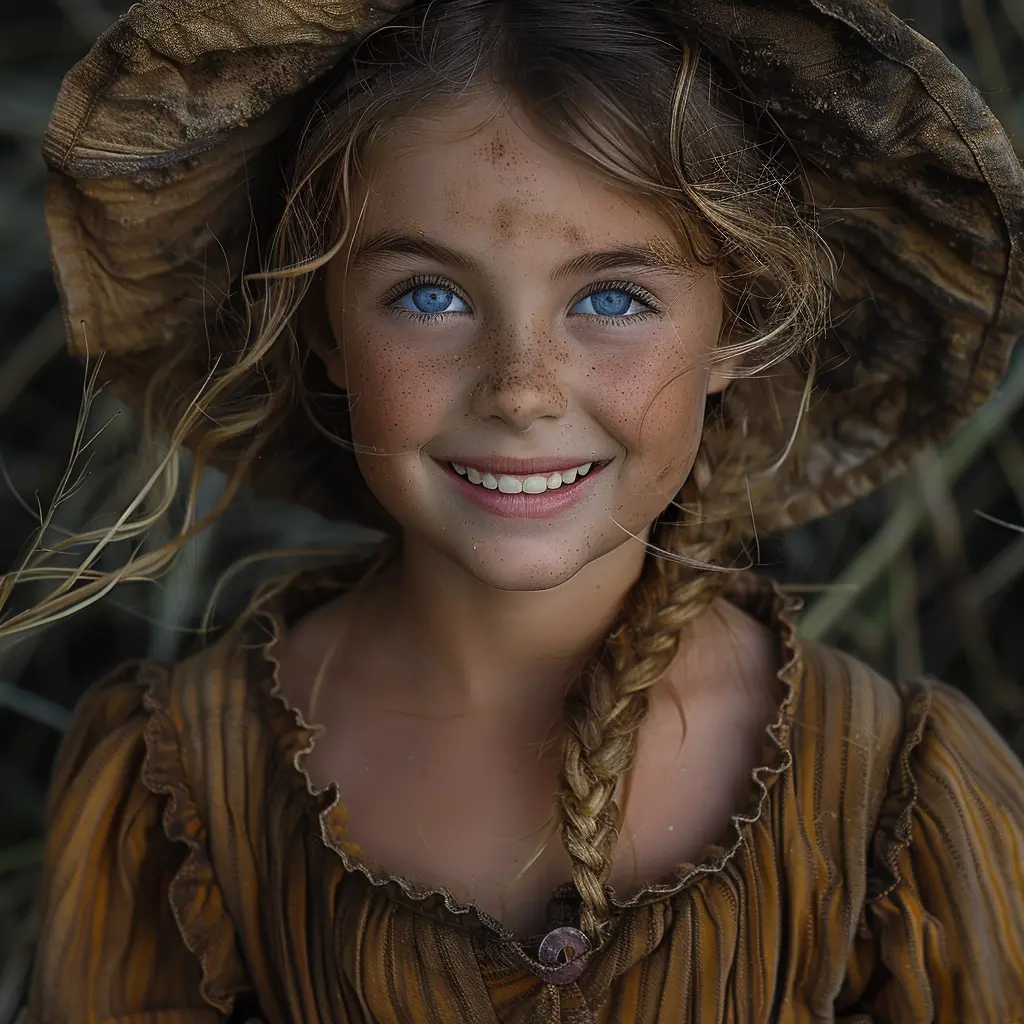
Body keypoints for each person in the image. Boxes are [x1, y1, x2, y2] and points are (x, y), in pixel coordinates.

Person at [13, 0, 1024, 1020]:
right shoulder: (179, 785)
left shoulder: (895, 794)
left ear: (737, 322)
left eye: (614, 298)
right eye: (428, 295)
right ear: (321, 325)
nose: (521, 388)